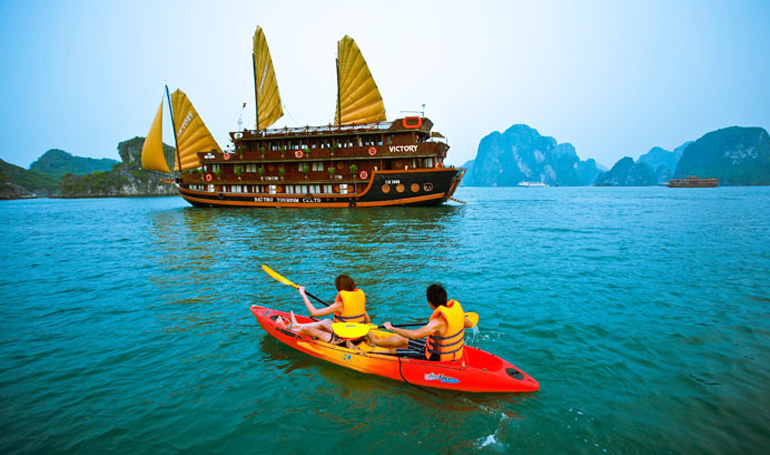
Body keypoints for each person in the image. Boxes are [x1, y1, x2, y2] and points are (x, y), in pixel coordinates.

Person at [368, 284, 472, 361]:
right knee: (403, 339)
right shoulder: (455, 312)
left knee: (394, 351)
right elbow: (469, 324)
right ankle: (376, 342)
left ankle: (368, 354)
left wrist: (391, 328)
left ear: (430, 303)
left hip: (435, 356)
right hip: (450, 351)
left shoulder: (437, 322)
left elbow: (414, 335)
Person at [287, 274, 371, 344]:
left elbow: (314, 313)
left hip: (344, 341)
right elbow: (367, 321)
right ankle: (297, 325)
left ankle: (292, 328)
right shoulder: (358, 300)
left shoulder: (339, 305)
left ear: (338, 287)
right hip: (359, 336)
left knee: (308, 330)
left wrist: (303, 294)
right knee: (326, 321)